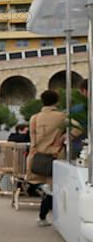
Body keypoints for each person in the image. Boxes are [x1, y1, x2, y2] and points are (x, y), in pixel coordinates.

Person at [28, 90, 81, 227]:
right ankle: (48, 217)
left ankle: (44, 216)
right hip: (55, 155)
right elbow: (78, 128)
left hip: (38, 156)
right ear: (57, 102)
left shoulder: (35, 118)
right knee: (55, 187)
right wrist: (63, 138)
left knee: (48, 187)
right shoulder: (62, 116)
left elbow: (33, 139)